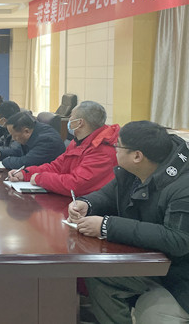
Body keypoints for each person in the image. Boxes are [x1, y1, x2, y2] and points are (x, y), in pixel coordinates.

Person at [68, 121, 189, 324]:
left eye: (118, 146)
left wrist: (107, 226)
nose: (114, 150)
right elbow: (107, 195)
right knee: (97, 273)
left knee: (149, 312)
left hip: (179, 272)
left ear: (137, 156)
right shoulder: (135, 170)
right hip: (150, 259)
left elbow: (178, 239)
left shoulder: (183, 187)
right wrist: (86, 203)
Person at [9, 101, 119, 196]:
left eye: (71, 117)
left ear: (80, 122)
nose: (69, 120)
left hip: (88, 207)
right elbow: (57, 167)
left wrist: (40, 178)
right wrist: (25, 174)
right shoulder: (77, 142)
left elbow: (76, 185)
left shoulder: (103, 149)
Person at [0, 111, 65, 170]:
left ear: (26, 131)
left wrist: (6, 161)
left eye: (14, 135)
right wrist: (0, 153)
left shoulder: (47, 140)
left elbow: (25, 163)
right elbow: (18, 150)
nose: (13, 139)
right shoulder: (33, 130)